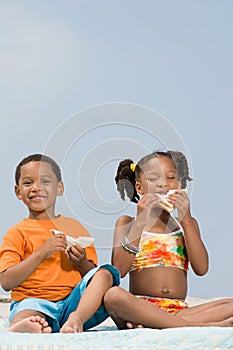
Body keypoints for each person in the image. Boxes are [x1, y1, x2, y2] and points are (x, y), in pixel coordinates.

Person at [103, 150, 233, 329]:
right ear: (139, 188)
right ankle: (196, 325)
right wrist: (140, 221)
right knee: (113, 296)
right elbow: (119, 270)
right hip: (141, 307)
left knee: (231, 305)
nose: (163, 184)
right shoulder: (127, 223)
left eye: (170, 178)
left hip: (178, 310)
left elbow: (202, 268)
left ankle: (163, 323)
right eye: (154, 178)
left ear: (179, 185)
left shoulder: (185, 225)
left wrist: (186, 219)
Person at [0, 153, 120, 333]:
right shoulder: (17, 233)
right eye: (28, 183)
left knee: (104, 274)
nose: (36, 188)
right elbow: (6, 282)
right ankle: (26, 325)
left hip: (75, 304)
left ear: (59, 188)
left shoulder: (75, 228)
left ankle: (76, 320)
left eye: (45, 181)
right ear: (18, 192)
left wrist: (80, 262)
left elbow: (91, 277)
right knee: (27, 311)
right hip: (35, 302)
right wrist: (41, 253)